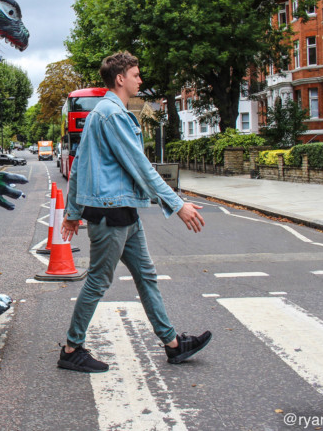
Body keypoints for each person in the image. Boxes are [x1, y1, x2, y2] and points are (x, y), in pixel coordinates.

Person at [57, 51, 211, 373]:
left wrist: (72, 212)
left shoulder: (107, 113)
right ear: (120, 78)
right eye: (136, 74)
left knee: (147, 276)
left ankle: (172, 344)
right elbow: (140, 166)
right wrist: (177, 203)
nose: (141, 80)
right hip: (110, 215)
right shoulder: (112, 115)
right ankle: (72, 349)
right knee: (98, 282)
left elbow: (82, 164)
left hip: (125, 213)